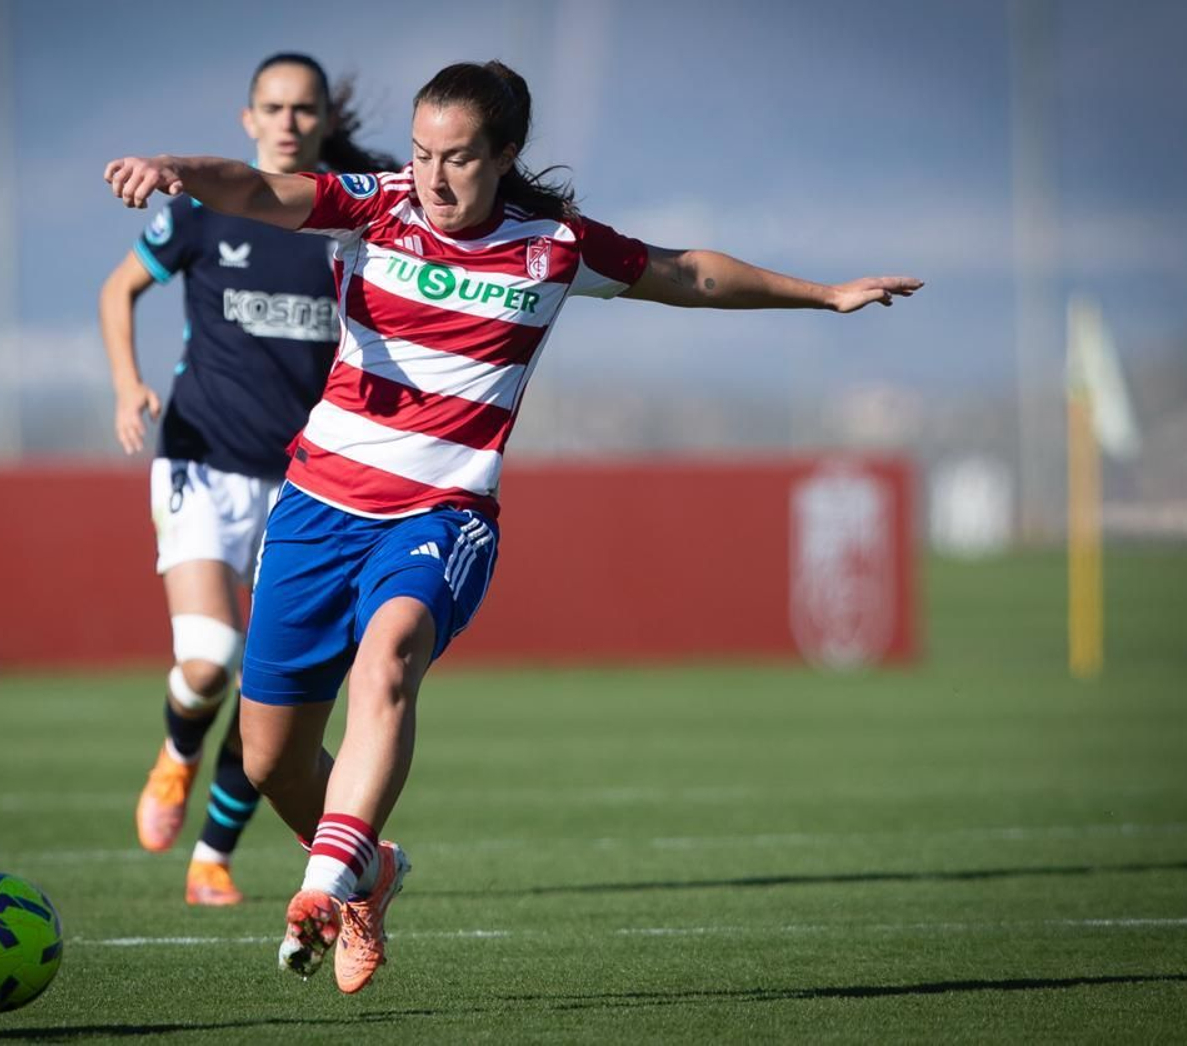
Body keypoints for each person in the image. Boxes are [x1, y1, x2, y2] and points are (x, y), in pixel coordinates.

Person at [104, 60, 922, 990]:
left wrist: (825, 294)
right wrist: (175, 165)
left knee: (391, 654)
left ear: (505, 156)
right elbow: (255, 187)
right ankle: (372, 873)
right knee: (267, 757)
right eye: (421, 154)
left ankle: (324, 885)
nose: (434, 177)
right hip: (316, 509)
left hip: (443, 513)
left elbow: (686, 271)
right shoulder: (374, 206)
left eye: (457, 158)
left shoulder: (555, 246)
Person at [97, 52, 393, 907]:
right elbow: (119, 292)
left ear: (325, 120)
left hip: (308, 485)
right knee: (210, 658)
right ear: (248, 119)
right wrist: (127, 386)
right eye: (275, 107)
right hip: (199, 459)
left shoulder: (351, 223)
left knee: (274, 686)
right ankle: (177, 755)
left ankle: (212, 857)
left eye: (305, 109)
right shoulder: (201, 210)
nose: (290, 122)